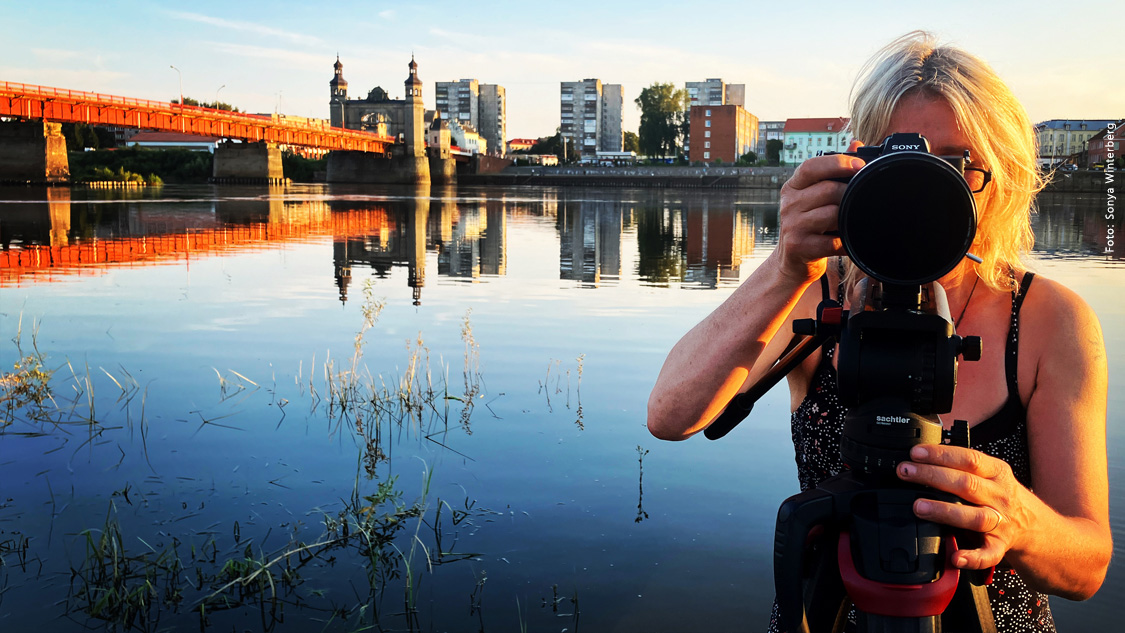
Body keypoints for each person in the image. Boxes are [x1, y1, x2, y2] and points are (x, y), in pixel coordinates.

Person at [647, 31, 1111, 632]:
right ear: (855, 167)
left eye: (955, 165)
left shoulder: (1051, 320)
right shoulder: (816, 291)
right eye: (902, 163)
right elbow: (669, 415)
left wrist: (1018, 521)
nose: (924, 187)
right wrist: (785, 268)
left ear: (1002, 176)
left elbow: (1087, 565)